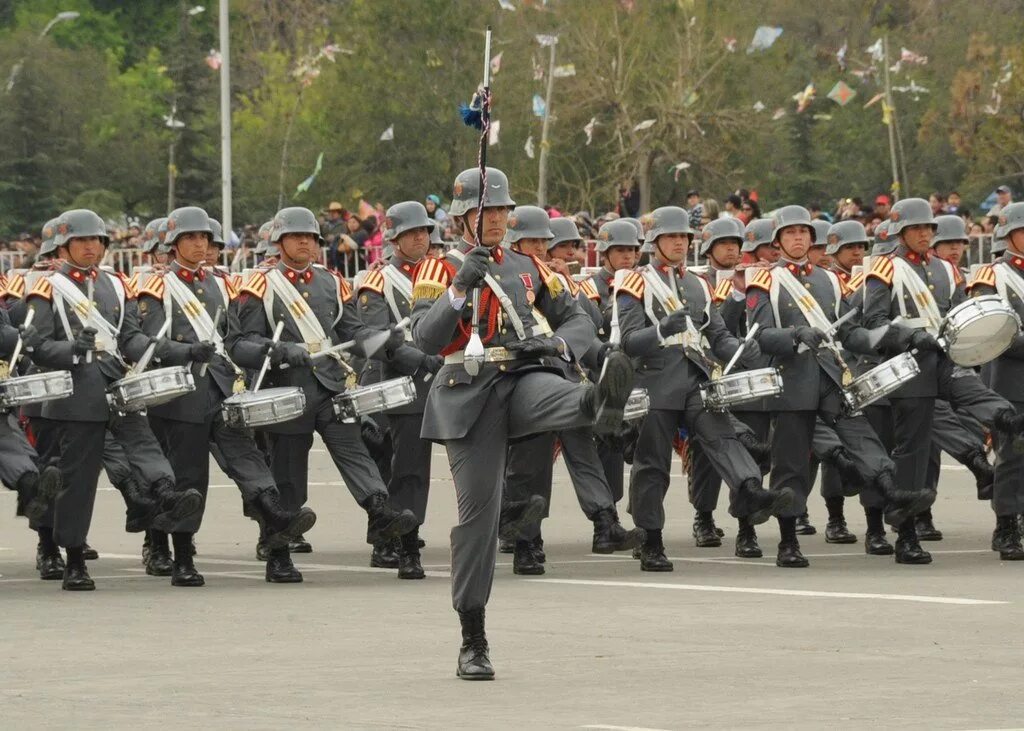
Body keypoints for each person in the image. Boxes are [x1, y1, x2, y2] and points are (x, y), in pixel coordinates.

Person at [409, 166, 634, 680]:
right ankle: (473, 637)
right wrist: (459, 288)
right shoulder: (439, 267)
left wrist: (557, 343)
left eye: (502, 211)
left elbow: (582, 318)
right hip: (468, 393)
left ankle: (598, 401)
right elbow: (425, 337)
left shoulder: (531, 265)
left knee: (564, 397)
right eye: (486, 211)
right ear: (464, 217)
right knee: (479, 519)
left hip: (526, 373)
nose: (496, 219)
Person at [228, 206, 418, 566]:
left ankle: (380, 512)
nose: (305, 242)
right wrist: (278, 350)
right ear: (278, 241)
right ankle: (279, 551)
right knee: (287, 471)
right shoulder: (260, 285)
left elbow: (351, 333)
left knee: (356, 451)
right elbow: (239, 344)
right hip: (285, 389)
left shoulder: (331, 281)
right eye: (296, 236)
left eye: (311, 237)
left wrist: (382, 340)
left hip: (330, 385)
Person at [137, 206, 317, 586]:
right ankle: (183, 557)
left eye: (204, 237)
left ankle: (278, 531)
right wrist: (185, 351)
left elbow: (235, 340)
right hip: (182, 397)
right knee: (190, 480)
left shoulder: (224, 284)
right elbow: (151, 343)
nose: (200, 243)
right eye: (191, 237)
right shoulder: (157, 287)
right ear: (173, 244)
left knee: (253, 465)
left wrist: (269, 350)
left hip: (224, 390)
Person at [25, 209, 203, 591]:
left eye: (97, 241)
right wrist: (71, 349)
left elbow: (132, 338)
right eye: (83, 240)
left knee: (146, 446)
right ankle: (73, 559)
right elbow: (36, 346)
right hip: (74, 395)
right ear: (65, 245)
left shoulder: (116, 284)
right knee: (79, 480)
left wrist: (177, 350)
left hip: (119, 385)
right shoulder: (47, 287)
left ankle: (166, 496)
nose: (92, 247)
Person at [618, 205, 791, 572]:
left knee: (723, 435)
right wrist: (662, 329)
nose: (680, 242)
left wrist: (747, 351)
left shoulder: (698, 284)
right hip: (653, 382)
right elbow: (630, 342)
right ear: (654, 241)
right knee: (652, 464)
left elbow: (718, 336)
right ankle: (650, 539)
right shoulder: (634, 281)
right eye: (672, 237)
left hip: (696, 377)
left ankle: (750, 490)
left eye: (684, 237)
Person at [863, 197, 1024, 564]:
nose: (925, 234)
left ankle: (1008, 419)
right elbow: (873, 325)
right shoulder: (884, 270)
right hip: (910, 365)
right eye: (917, 228)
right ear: (901, 231)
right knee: (914, 451)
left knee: (978, 392)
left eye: (929, 228)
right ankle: (906, 533)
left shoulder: (948, 272)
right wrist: (907, 337)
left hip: (945, 359)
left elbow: (960, 319)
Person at [747, 205, 910, 567]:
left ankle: (894, 497)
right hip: (791, 383)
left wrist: (876, 337)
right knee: (791, 466)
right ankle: (788, 541)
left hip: (834, 379)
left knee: (866, 442)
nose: (799, 237)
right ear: (777, 241)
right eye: (790, 233)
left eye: (804, 232)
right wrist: (795, 334)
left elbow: (848, 332)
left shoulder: (831, 280)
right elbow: (760, 336)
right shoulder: (764, 281)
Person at [501, 211, 644, 574]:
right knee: (530, 465)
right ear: (514, 244)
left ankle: (604, 523)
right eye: (533, 243)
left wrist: (565, 287)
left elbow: (588, 327)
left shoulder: (555, 280)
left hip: (566, 381)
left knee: (584, 450)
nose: (543, 250)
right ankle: (525, 542)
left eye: (544, 243)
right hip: (526, 380)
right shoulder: (506, 279)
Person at [356, 201, 442, 579]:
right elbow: (376, 337)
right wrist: (418, 358)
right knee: (401, 467)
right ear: (394, 238)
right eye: (411, 233)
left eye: (424, 231)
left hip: (438, 377)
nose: (420, 237)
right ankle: (403, 542)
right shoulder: (378, 281)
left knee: (415, 468)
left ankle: (401, 535)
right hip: (396, 382)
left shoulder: (440, 275)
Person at [966, 202, 1024, 559]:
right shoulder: (991, 276)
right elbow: (988, 331)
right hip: (1010, 379)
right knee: (1013, 456)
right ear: (1009, 234)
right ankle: (1006, 525)